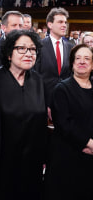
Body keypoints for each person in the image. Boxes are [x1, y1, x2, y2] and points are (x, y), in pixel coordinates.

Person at [0, 29, 47, 200]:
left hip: (32, 164)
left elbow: (41, 123)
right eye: (21, 48)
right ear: (9, 54)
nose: (28, 53)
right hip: (0, 165)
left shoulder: (38, 81)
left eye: (33, 49)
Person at [44, 44, 93, 200]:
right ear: (72, 63)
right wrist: (89, 143)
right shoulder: (62, 89)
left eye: (87, 58)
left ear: (92, 65)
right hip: (68, 155)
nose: (82, 61)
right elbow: (65, 125)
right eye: (77, 58)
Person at [34, 7, 74, 121]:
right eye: (60, 22)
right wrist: (43, 104)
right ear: (50, 25)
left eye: (65, 22)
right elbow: (35, 77)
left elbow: (70, 76)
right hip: (43, 104)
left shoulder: (70, 47)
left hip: (65, 102)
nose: (64, 25)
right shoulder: (39, 46)